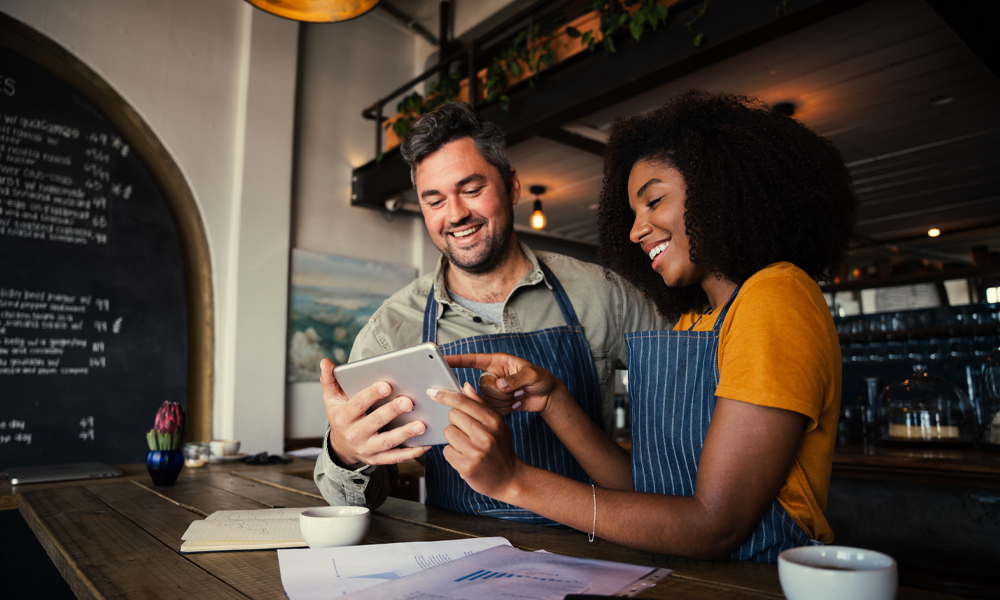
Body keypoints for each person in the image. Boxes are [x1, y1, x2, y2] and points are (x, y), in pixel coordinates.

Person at [429, 91, 857, 563]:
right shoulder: (699, 321)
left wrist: (512, 480)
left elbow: (713, 524)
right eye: (633, 214)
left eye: (653, 201)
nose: (636, 231)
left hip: (761, 580)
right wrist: (552, 399)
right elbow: (648, 494)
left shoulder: (776, 297)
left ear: (720, 188)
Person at [313, 102, 665, 524]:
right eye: (435, 199)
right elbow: (359, 503)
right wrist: (347, 452)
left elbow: (685, 417)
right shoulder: (392, 330)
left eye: (472, 188)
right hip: (456, 557)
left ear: (512, 186)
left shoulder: (604, 294)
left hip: (602, 548)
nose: (456, 213)